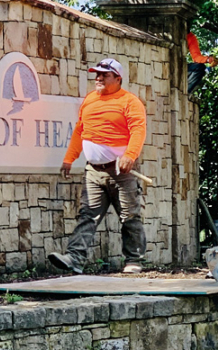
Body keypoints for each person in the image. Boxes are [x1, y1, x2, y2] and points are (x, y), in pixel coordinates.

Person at [49, 58, 148, 274]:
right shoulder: (90, 100)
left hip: (121, 171)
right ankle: (75, 259)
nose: (99, 78)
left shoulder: (130, 102)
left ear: (118, 78)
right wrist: (69, 158)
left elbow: (138, 130)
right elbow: (79, 130)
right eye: (97, 74)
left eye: (105, 74)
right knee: (87, 215)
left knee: (129, 216)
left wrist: (130, 155)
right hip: (93, 170)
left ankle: (134, 261)